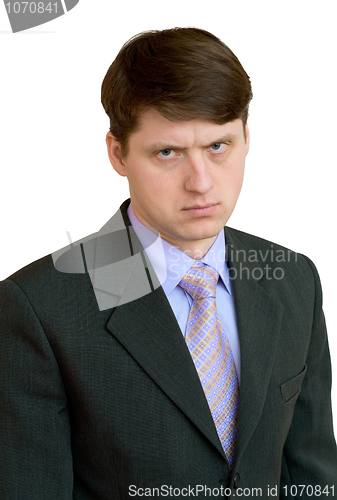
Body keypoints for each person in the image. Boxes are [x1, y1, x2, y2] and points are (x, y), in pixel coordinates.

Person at [0, 27, 336, 500]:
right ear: (118, 153)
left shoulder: (295, 280)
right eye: (168, 152)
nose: (200, 182)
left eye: (218, 146)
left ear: (246, 138)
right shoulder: (37, 310)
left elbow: (313, 477)